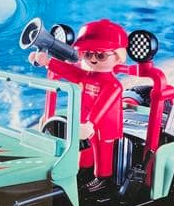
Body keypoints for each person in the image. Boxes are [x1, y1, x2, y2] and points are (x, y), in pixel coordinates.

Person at [30, 18, 128, 181]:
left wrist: (90, 123)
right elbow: (69, 71)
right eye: (88, 54)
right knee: (85, 154)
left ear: (118, 57)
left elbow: (102, 106)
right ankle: (84, 174)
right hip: (85, 124)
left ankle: (103, 181)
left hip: (104, 127)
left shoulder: (113, 85)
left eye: (101, 55)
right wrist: (47, 62)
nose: (93, 59)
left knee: (103, 155)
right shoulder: (86, 76)